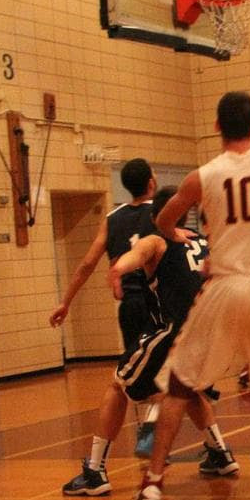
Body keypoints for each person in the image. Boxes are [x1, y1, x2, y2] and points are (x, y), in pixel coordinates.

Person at [132, 92, 250, 500]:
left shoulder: (201, 176)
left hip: (224, 286)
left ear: (217, 126)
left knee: (179, 386)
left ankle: (153, 483)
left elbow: (163, 219)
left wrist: (177, 234)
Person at [61, 187, 237, 497]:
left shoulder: (157, 239)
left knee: (118, 385)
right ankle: (220, 454)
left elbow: (137, 254)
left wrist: (118, 269)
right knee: (187, 391)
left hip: (172, 331)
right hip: (208, 333)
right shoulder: (200, 241)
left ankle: (94, 471)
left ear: (157, 215)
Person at [49, 157, 160, 455]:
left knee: (133, 374)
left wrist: (65, 302)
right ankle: (153, 426)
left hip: (129, 307)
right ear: (151, 183)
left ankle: (148, 428)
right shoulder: (161, 213)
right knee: (167, 370)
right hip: (159, 304)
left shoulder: (112, 219)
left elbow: (87, 264)